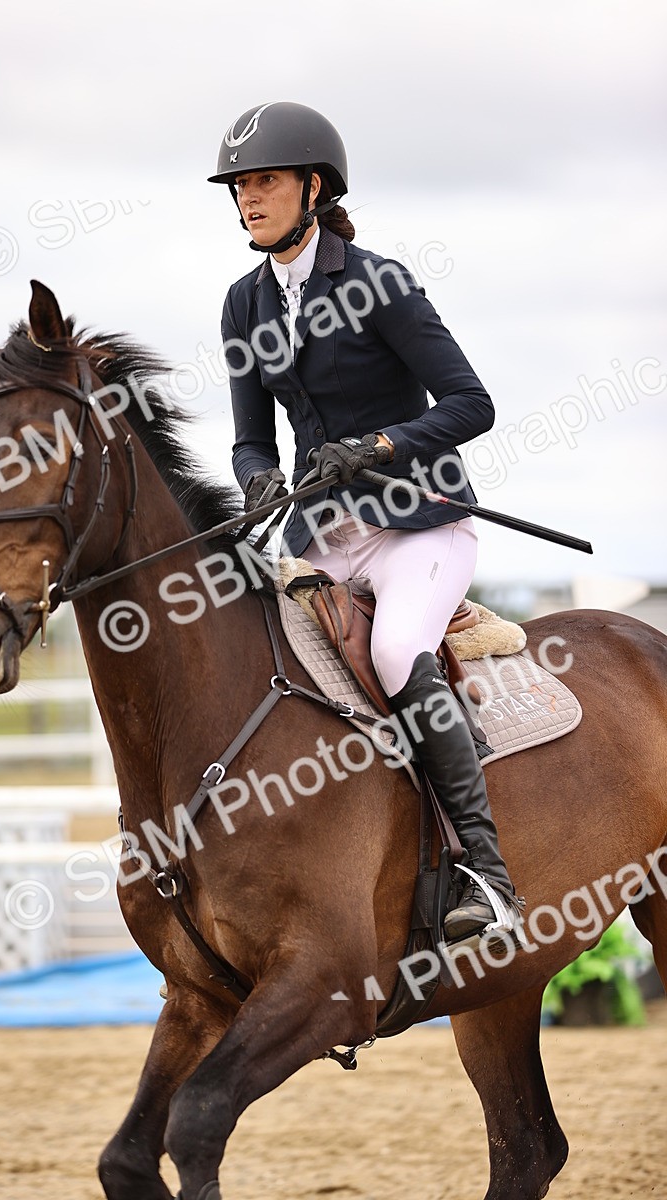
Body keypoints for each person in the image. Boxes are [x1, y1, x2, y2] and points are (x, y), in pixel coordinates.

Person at [209, 101, 521, 943]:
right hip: (322, 536)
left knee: (392, 652)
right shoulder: (244, 306)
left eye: (264, 181)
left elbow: (471, 403)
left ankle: (487, 877)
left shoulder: (378, 283)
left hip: (420, 525)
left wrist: (379, 443)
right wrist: (258, 479)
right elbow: (246, 439)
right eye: (239, 185)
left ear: (313, 187)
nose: (248, 198)